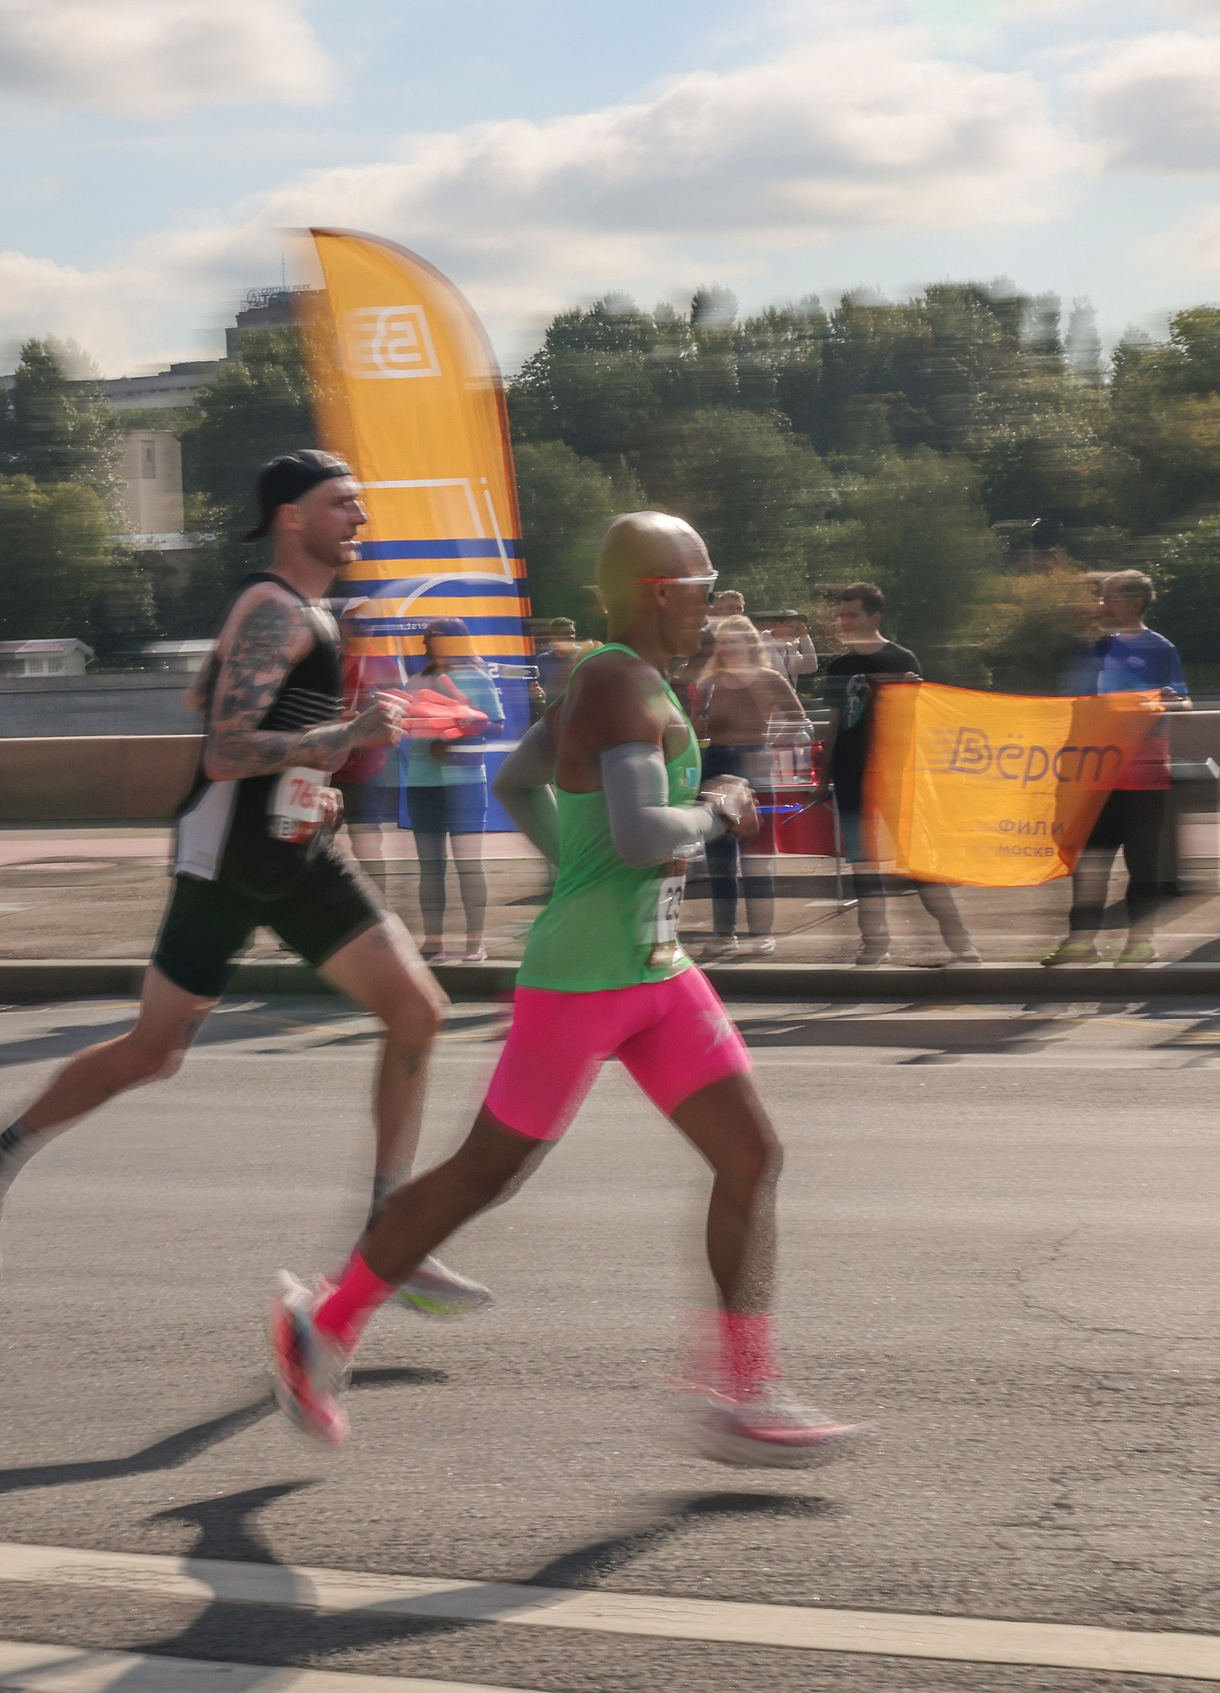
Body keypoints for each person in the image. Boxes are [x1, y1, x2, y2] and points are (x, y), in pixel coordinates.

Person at [268, 511, 865, 1467]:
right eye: (703, 585)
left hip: (656, 968)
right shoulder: (623, 686)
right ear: (660, 592)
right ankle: (325, 1322)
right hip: (585, 979)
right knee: (483, 1174)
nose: (713, 602)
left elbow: (517, 780)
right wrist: (717, 810)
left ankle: (743, 1389)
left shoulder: (619, 679)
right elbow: (637, 834)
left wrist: (584, 870)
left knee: (750, 1154)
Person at [0, 450, 488, 1316]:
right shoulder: (271, 606)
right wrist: (344, 731)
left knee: (417, 1010)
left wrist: (312, 774)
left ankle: (389, 1233)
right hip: (229, 860)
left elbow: (206, 700)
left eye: (359, 504)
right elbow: (223, 749)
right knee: (155, 1050)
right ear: (291, 516)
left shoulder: (299, 614)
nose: (359, 519)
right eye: (342, 504)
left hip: (292, 849)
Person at [820, 582, 978, 967]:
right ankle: (874, 943)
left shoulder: (900, 658)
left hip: (896, 773)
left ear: (874, 616)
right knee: (864, 864)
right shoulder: (839, 667)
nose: (844, 621)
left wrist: (913, 694)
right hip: (852, 775)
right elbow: (835, 724)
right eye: (841, 615)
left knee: (917, 860)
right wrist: (824, 776)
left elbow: (920, 718)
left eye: (852, 614)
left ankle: (959, 942)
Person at [1043, 572, 1189, 967]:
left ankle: (1141, 942)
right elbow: (1074, 704)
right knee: (1090, 862)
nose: (1101, 606)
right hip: (1096, 773)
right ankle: (1080, 942)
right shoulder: (1093, 648)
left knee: (1142, 864)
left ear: (1135, 603)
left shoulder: (1160, 648)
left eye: (1110, 598)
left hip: (1143, 775)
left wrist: (1173, 702)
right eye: (1102, 598)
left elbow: (1185, 704)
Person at [696, 614, 810, 954]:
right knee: (719, 854)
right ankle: (723, 933)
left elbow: (798, 719)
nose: (728, 647)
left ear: (750, 643)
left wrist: (770, 744)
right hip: (715, 761)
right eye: (723, 642)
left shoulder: (769, 677)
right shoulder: (709, 681)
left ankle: (761, 932)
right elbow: (692, 728)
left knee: (757, 853)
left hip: (754, 763)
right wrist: (699, 724)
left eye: (734, 640)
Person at [404, 617, 503, 964]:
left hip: (465, 784)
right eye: (428, 639)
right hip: (421, 784)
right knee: (430, 866)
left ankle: (475, 941)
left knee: (468, 864)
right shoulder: (416, 681)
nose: (427, 644)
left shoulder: (477, 678)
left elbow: (497, 726)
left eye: (435, 638)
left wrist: (458, 736)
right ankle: (433, 942)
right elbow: (403, 725)